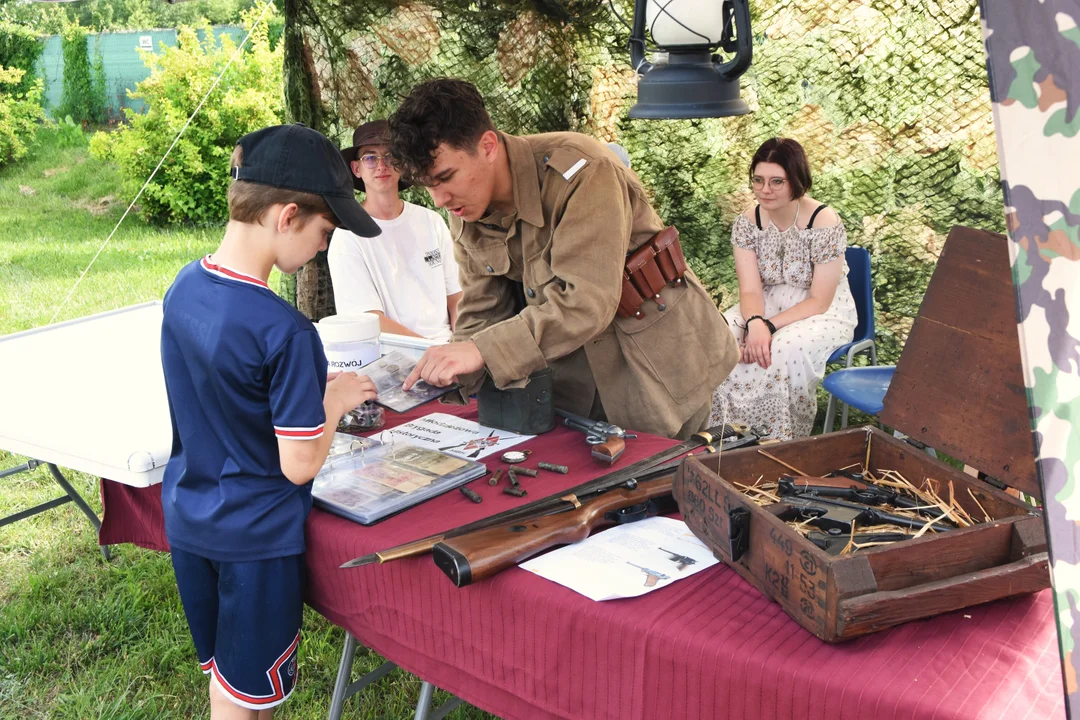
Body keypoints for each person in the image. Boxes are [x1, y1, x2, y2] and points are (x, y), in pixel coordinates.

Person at [159, 124, 379, 720]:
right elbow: (300, 461)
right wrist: (332, 402)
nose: (323, 248)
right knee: (248, 699)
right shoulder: (287, 331)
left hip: (190, 513)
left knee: (226, 677)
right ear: (287, 217)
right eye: (324, 232)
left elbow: (220, 395)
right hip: (253, 538)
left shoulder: (183, 287)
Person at [389, 78, 739, 439]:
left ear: (488, 146)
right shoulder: (465, 202)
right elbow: (481, 311)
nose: (439, 200)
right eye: (429, 185)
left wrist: (481, 351)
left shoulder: (584, 172)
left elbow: (586, 302)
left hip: (658, 367)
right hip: (571, 380)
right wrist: (449, 375)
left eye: (446, 177)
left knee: (668, 485)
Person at [709, 137, 857, 441]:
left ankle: (777, 442)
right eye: (758, 180)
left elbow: (819, 300)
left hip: (821, 311)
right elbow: (750, 290)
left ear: (796, 181)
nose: (765, 190)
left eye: (777, 181)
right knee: (718, 336)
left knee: (783, 348)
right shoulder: (747, 223)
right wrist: (754, 322)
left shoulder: (823, 221)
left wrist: (767, 327)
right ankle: (723, 440)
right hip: (764, 303)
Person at [328, 119, 462, 341]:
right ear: (356, 168)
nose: (382, 165)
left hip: (449, 348)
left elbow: (456, 296)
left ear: (404, 164)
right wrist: (431, 351)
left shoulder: (431, 220)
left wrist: (463, 341)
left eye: (391, 156)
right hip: (392, 360)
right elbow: (368, 320)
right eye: (370, 158)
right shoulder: (348, 236)